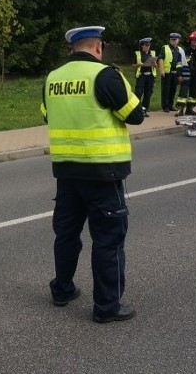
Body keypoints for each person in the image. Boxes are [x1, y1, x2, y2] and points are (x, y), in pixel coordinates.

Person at [40, 25, 144, 324]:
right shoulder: (106, 75)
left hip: (66, 172)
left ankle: (62, 289)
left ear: (73, 48)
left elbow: (47, 114)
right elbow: (134, 115)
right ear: (98, 47)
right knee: (108, 239)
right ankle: (107, 307)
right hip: (103, 170)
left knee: (66, 233)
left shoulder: (52, 79)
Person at [177, 31, 196, 116]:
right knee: (183, 93)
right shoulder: (184, 51)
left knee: (193, 94)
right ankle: (180, 110)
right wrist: (179, 75)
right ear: (190, 40)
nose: (194, 41)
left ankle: (189, 109)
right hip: (186, 74)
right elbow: (179, 63)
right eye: (192, 40)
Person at [158, 33, 183, 112]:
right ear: (169, 40)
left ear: (178, 41)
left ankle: (170, 105)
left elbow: (179, 63)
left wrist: (179, 75)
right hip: (167, 73)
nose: (173, 41)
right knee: (166, 90)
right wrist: (162, 70)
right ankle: (165, 106)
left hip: (175, 73)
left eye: (175, 40)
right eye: (172, 40)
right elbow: (160, 59)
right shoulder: (165, 48)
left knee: (173, 90)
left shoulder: (178, 49)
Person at [132, 37, 156, 117]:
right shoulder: (138, 54)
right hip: (141, 76)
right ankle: (137, 110)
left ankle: (144, 110)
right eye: (146, 45)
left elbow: (156, 65)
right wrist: (140, 64)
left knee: (148, 94)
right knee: (138, 93)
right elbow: (133, 65)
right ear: (142, 46)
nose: (147, 47)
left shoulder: (152, 53)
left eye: (148, 45)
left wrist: (154, 64)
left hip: (150, 76)